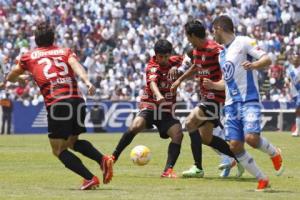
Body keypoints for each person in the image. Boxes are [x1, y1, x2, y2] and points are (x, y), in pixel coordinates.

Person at [2, 22, 113, 190]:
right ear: (53, 38)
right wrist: (87, 82)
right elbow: (76, 66)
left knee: (58, 150)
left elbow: (10, 77)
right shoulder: (64, 51)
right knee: (72, 142)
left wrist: (19, 78)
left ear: (36, 40)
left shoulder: (29, 56)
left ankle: (90, 178)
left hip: (58, 103)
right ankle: (102, 160)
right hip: (77, 100)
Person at [212, 15, 284, 191]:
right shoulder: (222, 55)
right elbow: (225, 82)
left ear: (219, 29)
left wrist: (254, 65)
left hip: (249, 99)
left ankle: (274, 153)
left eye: (213, 31)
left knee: (251, 138)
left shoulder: (243, 42)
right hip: (230, 104)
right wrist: (212, 85)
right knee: (235, 146)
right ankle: (262, 179)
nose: (213, 35)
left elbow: (267, 59)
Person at [171, 20, 241, 178]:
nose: (187, 40)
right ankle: (241, 159)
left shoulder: (216, 50)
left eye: (188, 36)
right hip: (206, 97)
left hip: (216, 98)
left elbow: (229, 72)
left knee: (189, 123)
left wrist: (216, 84)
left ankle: (198, 168)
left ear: (193, 35)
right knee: (205, 138)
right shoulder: (196, 51)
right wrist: (180, 80)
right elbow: (195, 67)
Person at [111, 39, 184, 178]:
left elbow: (189, 56)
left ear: (170, 55)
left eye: (166, 56)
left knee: (178, 134)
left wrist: (178, 68)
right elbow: (152, 83)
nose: (163, 59)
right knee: (135, 125)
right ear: (155, 55)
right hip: (150, 104)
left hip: (166, 109)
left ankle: (167, 170)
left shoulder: (175, 61)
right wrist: (158, 96)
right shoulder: (152, 66)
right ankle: (112, 158)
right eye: (160, 57)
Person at [286, 53, 300, 137]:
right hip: (294, 93)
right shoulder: (290, 69)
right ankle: (298, 130)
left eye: (298, 58)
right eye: (294, 58)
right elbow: (287, 78)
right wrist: (287, 82)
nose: (296, 60)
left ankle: (297, 130)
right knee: (298, 112)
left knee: (298, 110)